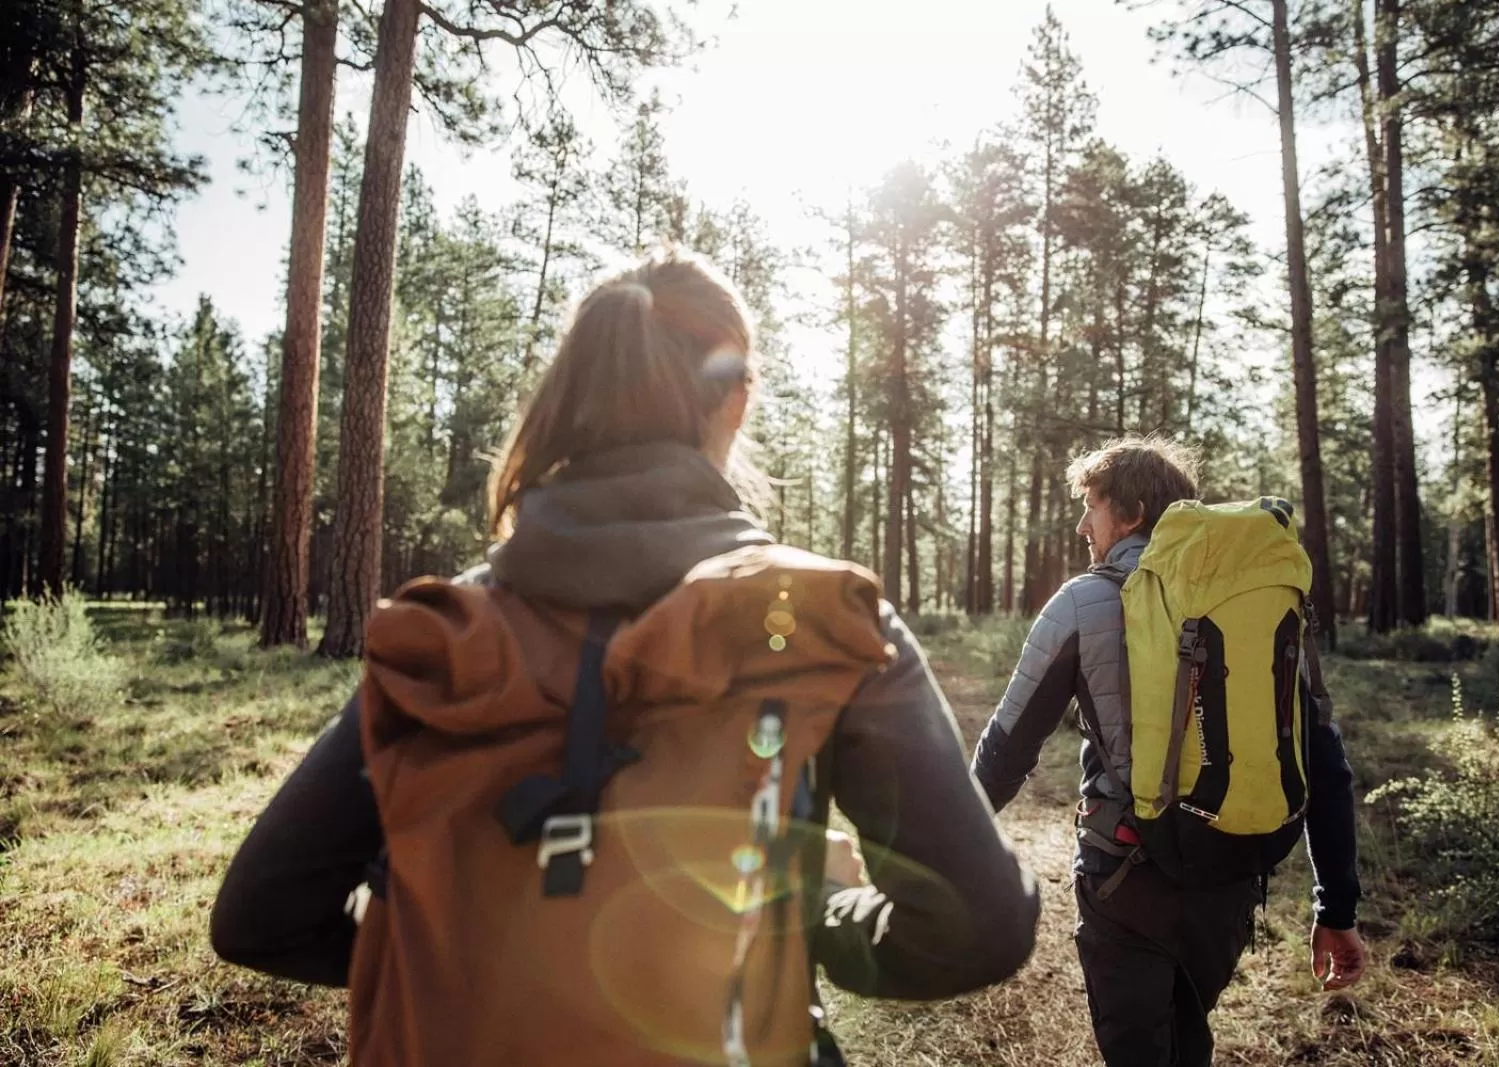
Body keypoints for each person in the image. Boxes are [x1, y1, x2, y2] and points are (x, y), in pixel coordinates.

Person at [210, 250, 1038, 1063]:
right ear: (738, 400)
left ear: (573, 396)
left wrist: (474, 950)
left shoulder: (446, 637)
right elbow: (977, 923)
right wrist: (806, 911)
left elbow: (261, 913)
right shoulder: (816, 620)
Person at [971, 437, 1365, 1067]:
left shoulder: (1081, 602)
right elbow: (1323, 759)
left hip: (1126, 878)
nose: (1081, 524)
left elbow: (1005, 750)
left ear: (1127, 512)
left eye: (1091, 507)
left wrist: (939, 855)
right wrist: (1336, 906)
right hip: (1231, 874)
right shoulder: (1258, 605)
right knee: (1188, 1034)